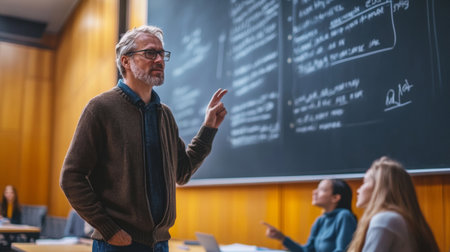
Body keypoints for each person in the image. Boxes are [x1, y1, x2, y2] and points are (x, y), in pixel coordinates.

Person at [60, 25, 227, 252]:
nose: (159, 59)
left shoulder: (164, 115)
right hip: (118, 244)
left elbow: (183, 172)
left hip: (159, 244)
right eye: (150, 53)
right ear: (126, 61)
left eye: (162, 53)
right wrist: (107, 228)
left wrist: (208, 128)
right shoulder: (100, 108)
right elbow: (71, 177)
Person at [347, 156, 439, 252]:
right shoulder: (398, 218)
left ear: (380, 187)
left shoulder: (384, 219)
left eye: (365, 182)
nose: (358, 190)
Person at [262, 179, 357, 252]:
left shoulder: (344, 216)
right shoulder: (321, 220)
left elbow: (342, 250)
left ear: (335, 198)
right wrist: (281, 238)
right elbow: (306, 250)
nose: (314, 192)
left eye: (322, 190)